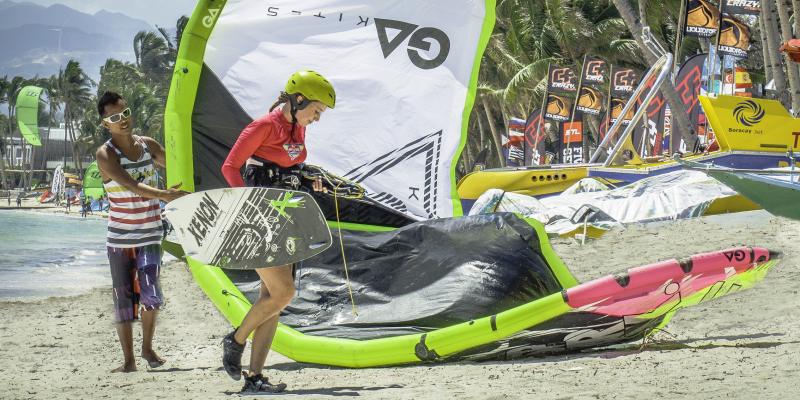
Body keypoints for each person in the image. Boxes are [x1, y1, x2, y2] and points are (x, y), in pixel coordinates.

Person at [219, 70, 334, 393]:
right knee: (284, 292)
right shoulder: (264, 126)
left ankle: (254, 378)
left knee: (272, 300)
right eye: (316, 111)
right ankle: (235, 339)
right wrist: (246, 205)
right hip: (258, 222)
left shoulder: (298, 128)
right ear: (298, 100)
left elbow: (286, 167)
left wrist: (309, 177)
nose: (317, 118)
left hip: (286, 220)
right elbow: (230, 166)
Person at [94, 91, 188, 373]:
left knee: (151, 294)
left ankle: (147, 348)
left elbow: (176, 162)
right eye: (114, 117)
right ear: (104, 123)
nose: (121, 120)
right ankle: (129, 361)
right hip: (119, 240)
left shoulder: (147, 145)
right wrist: (165, 195)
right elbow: (132, 186)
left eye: (124, 113)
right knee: (124, 301)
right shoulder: (105, 154)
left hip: (149, 235)